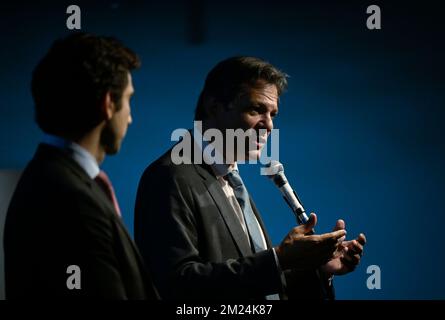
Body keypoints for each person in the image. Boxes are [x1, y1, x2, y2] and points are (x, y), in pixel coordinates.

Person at [134, 56, 366, 300]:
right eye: (256, 110)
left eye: (273, 114)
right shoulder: (170, 176)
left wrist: (316, 268)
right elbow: (177, 285)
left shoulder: (230, 179)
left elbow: (253, 287)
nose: (268, 126)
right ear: (214, 107)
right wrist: (278, 259)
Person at [4, 33, 159, 299]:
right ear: (109, 104)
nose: (131, 118)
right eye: (129, 100)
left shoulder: (51, 178)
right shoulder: (71, 197)